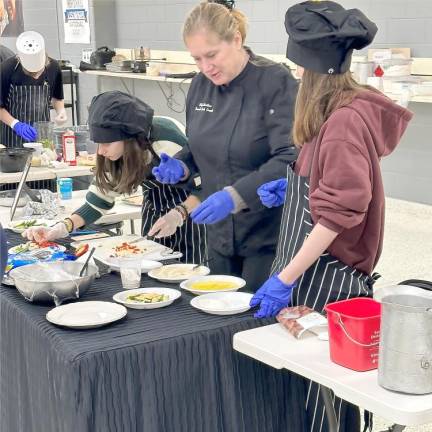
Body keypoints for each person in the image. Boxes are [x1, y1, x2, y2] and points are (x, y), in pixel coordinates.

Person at [250, 2, 413, 431]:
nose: (296, 76)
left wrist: (285, 278)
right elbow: (332, 181)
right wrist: (294, 186)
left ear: (311, 71)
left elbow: (338, 215)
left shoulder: (343, 121)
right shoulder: (333, 112)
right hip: (313, 272)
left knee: (325, 403)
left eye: (298, 68)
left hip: (329, 279)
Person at [151, 1, 298, 291]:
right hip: (217, 233)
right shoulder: (199, 85)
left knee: (255, 323)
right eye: (196, 59)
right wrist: (181, 166)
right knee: (219, 318)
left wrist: (235, 196)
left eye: (212, 55)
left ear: (237, 40)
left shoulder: (275, 81)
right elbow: (201, 146)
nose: (206, 67)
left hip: (266, 233)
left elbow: (291, 156)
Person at [23, 91, 207, 264]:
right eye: (98, 143)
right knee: (152, 267)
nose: (101, 151)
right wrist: (61, 228)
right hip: (155, 209)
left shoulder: (166, 140)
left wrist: (178, 213)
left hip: (195, 212)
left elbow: (207, 184)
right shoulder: (115, 154)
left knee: (190, 272)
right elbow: (98, 201)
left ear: (128, 138)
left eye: (106, 143)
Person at [0, 31, 67, 148]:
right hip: (12, 136)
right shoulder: (6, 68)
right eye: (30, 73)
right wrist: (16, 124)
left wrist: (61, 112)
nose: (35, 76)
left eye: (38, 72)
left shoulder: (54, 67)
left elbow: (57, 97)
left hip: (43, 135)